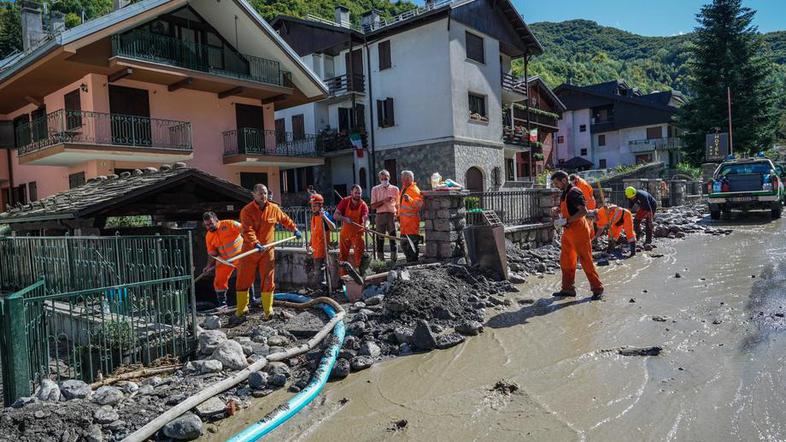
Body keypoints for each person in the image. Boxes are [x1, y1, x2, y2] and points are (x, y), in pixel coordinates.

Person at [236, 184, 301, 322]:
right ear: (253, 194)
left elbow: (285, 219)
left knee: (268, 279)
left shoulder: (273, 208)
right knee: (244, 279)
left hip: (267, 251)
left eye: (265, 193)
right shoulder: (246, 211)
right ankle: (242, 309)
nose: (263, 196)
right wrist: (255, 243)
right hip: (250, 250)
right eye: (260, 193)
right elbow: (247, 230)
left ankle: (267, 310)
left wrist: (294, 229)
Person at [551, 171, 604, 299]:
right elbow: (569, 208)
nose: (555, 186)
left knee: (585, 259)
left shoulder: (574, 192)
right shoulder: (565, 192)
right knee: (566, 260)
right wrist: (557, 210)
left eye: (556, 183)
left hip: (579, 230)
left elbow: (583, 211)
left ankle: (597, 289)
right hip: (568, 232)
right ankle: (568, 289)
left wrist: (567, 221)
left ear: (564, 180)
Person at [202, 212, 243, 311]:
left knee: (245, 276)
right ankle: (223, 304)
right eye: (207, 225)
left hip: (240, 255)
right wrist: (208, 266)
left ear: (216, 220)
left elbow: (246, 230)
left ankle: (251, 300)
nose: (209, 226)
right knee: (219, 280)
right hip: (224, 259)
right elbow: (212, 253)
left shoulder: (229, 224)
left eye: (211, 223)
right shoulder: (209, 236)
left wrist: (254, 243)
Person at [334, 185, 369, 277]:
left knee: (360, 258)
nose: (358, 195)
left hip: (358, 234)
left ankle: (361, 278)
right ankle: (343, 279)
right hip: (345, 233)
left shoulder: (363, 204)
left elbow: (366, 218)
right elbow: (335, 216)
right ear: (351, 193)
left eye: (359, 193)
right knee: (343, 257)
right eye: (356, 193)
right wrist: (345, 218)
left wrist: (367, 225)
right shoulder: (345, 201)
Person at [306, 193, 336, 288]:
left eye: (315, 205)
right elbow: (313, 233)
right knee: (317, 272)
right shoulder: (314, 217)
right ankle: (320, 289)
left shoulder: (324, 215)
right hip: (315, 249)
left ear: (320, 205)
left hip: (323, 249)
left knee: (321, 271)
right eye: (312, 205)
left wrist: (325, 217)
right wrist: (309, 244)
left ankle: (324, 290)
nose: (313, 208)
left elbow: (333, 228)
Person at [370, 170, 400, 262]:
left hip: (391, 215)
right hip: (380, 215)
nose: (384, 180)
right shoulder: (375, 189)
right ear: (379, 179)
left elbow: (398, 205)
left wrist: (398, 216)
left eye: (386, 178)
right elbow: (373, 206)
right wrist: (384, 201)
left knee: (393, 238)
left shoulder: (395, 189)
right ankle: (380, 260)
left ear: (389, 178)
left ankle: (394, 260)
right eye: (382, 179)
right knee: (380, 238)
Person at [398, 170, 423, 262]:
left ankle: (413, 263)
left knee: (412, 246)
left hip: (411, 224)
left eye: (403, 179)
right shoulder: (404, 188)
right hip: (404, 224)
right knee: (404, 245)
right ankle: (410, 262)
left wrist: (410, 200)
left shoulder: (414, 190)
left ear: (408, 179)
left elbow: (419, 205)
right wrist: (397, 216)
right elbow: (400, 204)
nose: (401, 180)